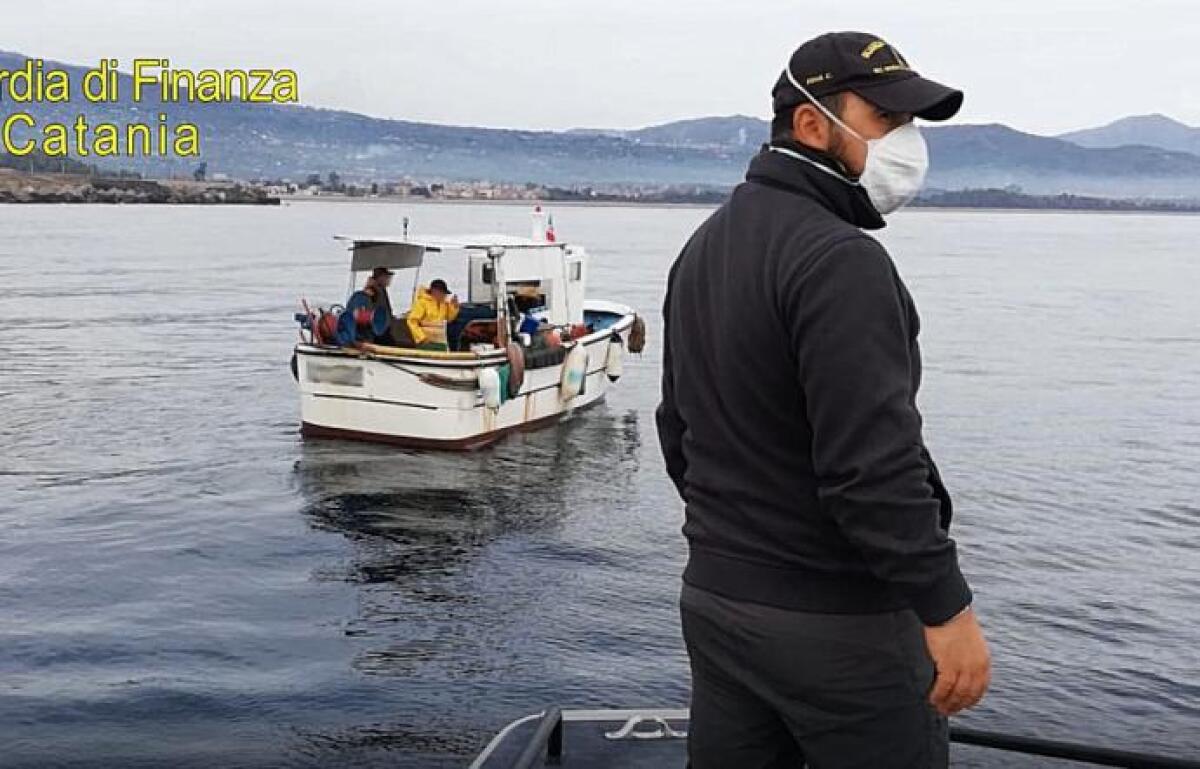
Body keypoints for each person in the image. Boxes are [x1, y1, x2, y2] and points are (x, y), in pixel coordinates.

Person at [656, 32, 991, 769]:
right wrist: (947, 605)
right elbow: (872, 468)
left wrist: (737, 540)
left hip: (717, 602)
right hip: (838, 626)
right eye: (885, 121)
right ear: (811, 124)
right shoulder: (840, 260)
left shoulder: (703, 247)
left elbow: (679, 431)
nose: (905, 143)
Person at [406, 278, 460, 351]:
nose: (444, 296)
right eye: (443, 293)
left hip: (440, 340)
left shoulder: (444, 304)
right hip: (425, 341)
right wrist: (422, 338)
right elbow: (412, 321)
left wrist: (454, 307)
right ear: (435, 291)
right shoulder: (422, 303)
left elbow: (449, 319)